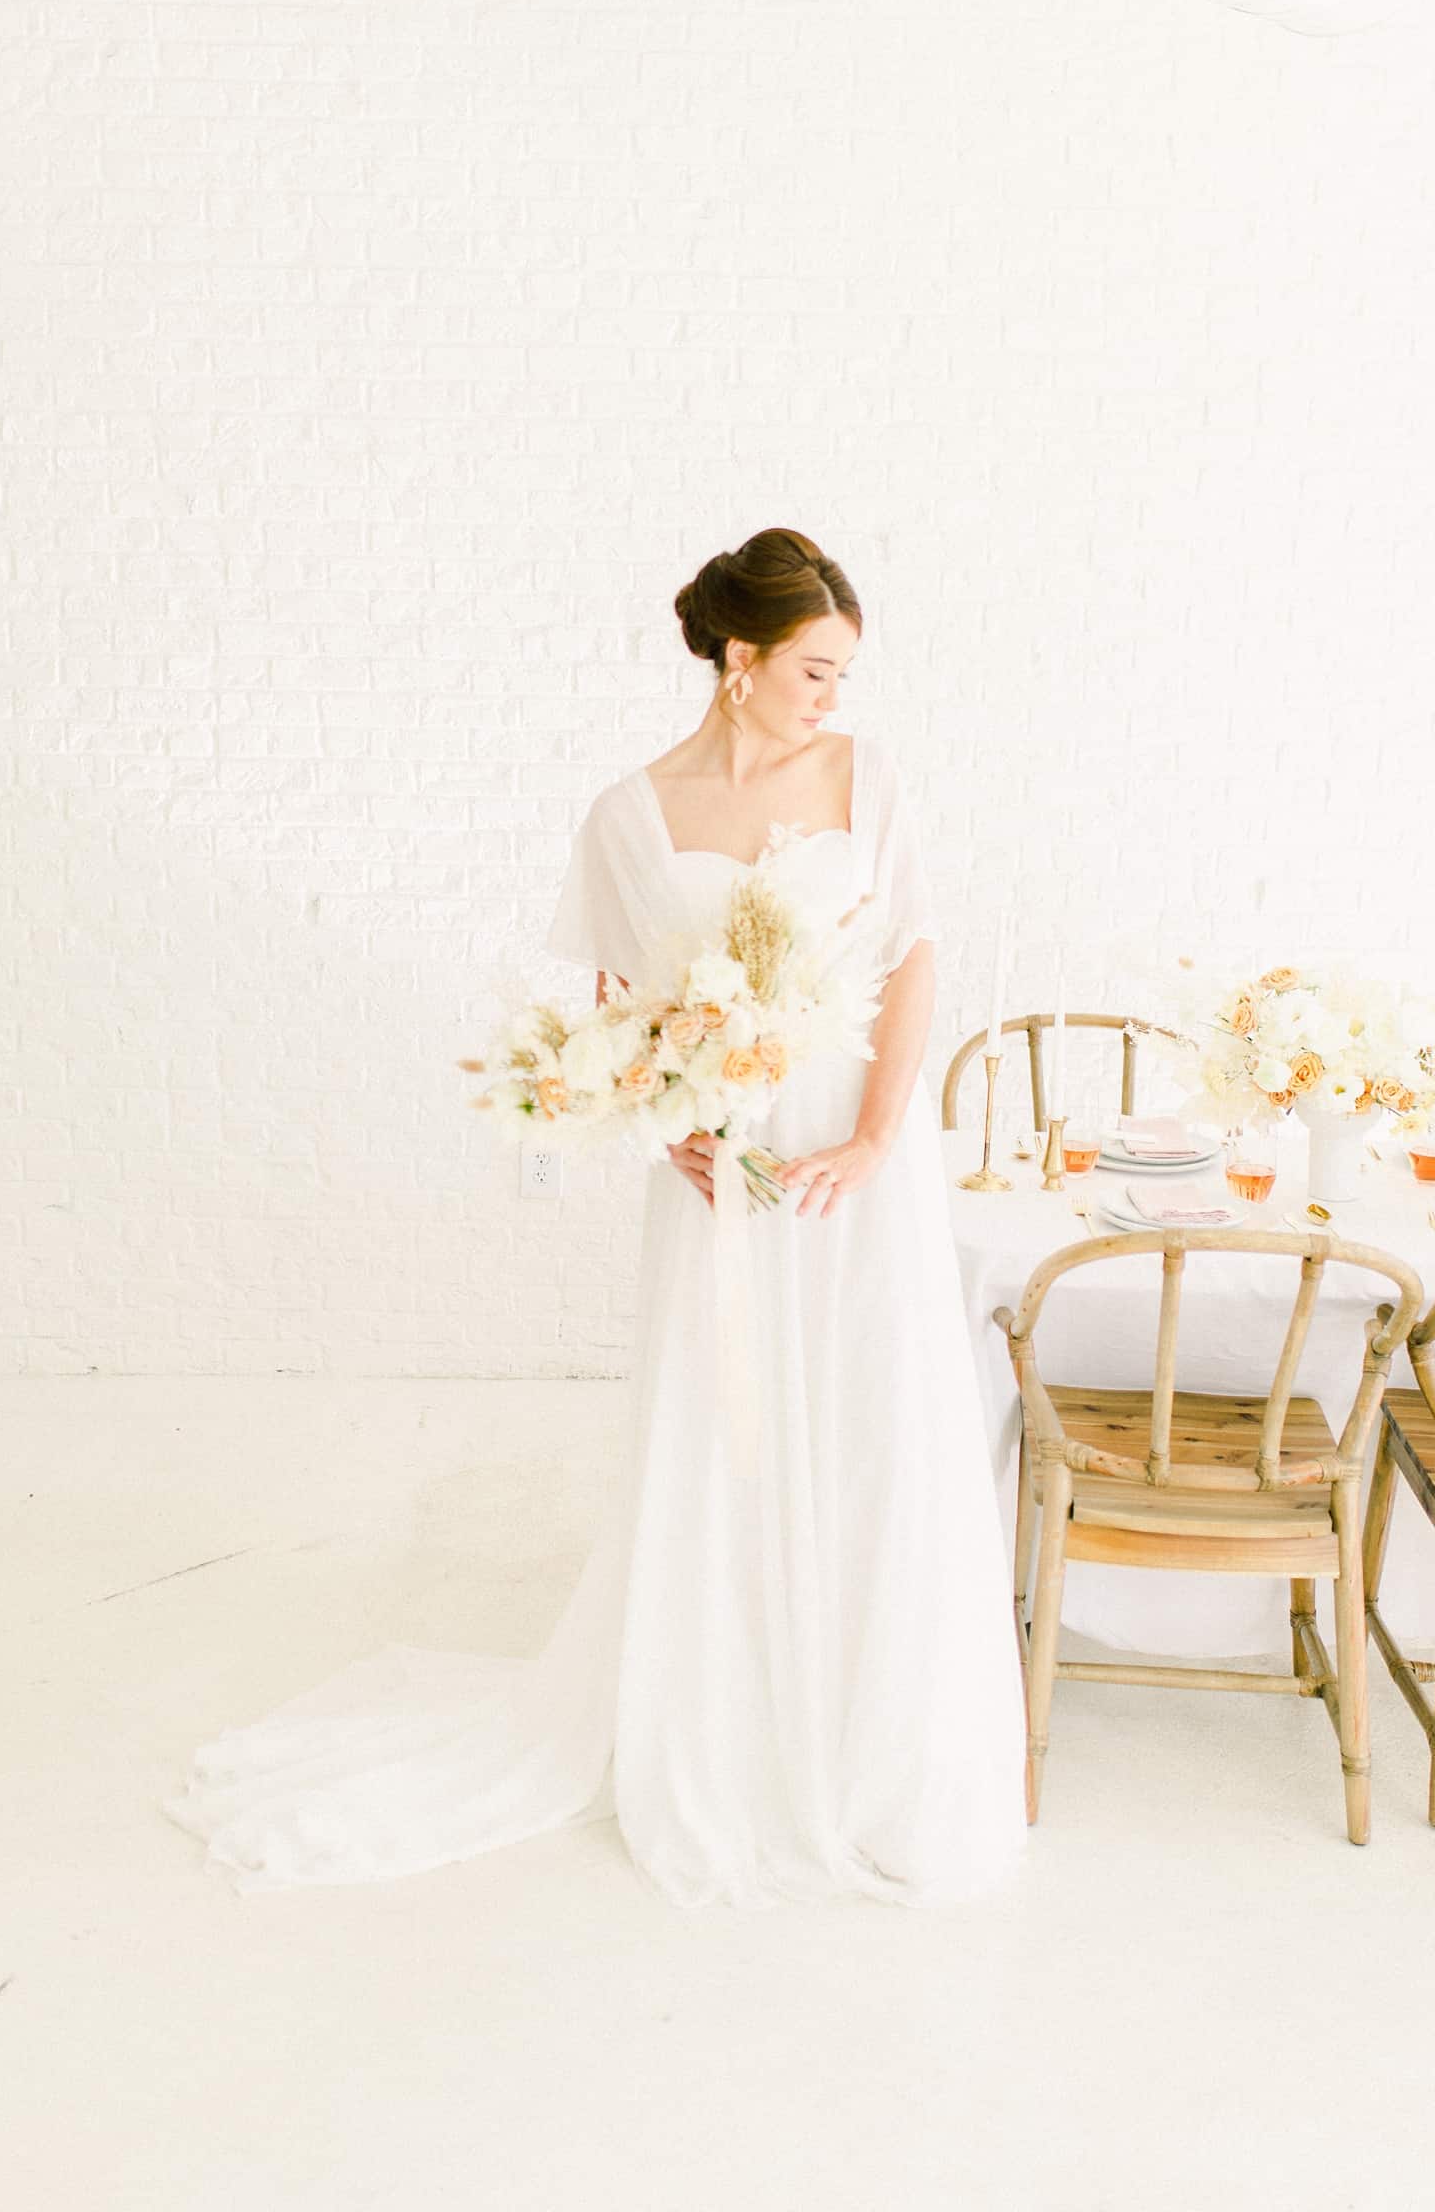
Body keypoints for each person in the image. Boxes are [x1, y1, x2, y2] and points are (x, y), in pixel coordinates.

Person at [163, 528, 1025, 1908]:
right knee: (729, 1419)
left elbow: (916, 954)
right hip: (722, 1165)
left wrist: (874, 1136)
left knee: (875, 1412)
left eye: (845, 672)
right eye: (813, 669)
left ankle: (868, 1739)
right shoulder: (630, 812)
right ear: (738, 660)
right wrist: (677, 1117)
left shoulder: (870, 782)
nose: (832, 697)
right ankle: (730, 1725)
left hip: (860, 1160)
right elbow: (630, 1002)